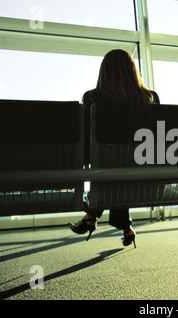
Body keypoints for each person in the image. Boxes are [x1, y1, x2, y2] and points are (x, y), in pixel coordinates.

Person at [68, 49, 160, 247]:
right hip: (143, 176)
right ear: (133, 70)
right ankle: (124, 226)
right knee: (124, 164)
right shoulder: (150, 98)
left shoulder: (92, 98)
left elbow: (85, 148)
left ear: (104, 72)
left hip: (105, 172)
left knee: (111, 163)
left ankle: (92, 216)